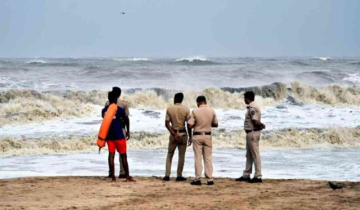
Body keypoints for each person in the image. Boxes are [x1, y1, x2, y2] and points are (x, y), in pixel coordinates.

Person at [102, 91, 134, 182]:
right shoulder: (119, 109)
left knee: (111, 156)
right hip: (119, 135)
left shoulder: (104, 110)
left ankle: (113, 178)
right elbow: (125, 118)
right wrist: (127, 130)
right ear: (116, 99)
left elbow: (104, 119)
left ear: (108, 99)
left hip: (109, 136)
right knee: (123, 156)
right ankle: (127, 177)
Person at [236, 91, 265, 183]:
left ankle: (258, 176)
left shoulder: (253, 107)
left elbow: (255, 121)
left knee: (255, 155)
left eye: (244, 98)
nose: (244, 100)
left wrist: (261, 124)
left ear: (247, 98)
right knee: (249, 155)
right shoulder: (251, 107)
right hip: (250, 132)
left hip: (252, 133)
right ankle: (246, 174)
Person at [188, 96, 218, 185]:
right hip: (208, 136)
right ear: (205, 102)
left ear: (198, 102)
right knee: (208, 158)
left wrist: (191, 134)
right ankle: (210, 178)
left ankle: (197, 178)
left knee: (198, 158)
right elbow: (215, 124)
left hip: (197, 136)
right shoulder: (212, 111)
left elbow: (189, 125)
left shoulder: (195, 111)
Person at [163, 93, 192, 182]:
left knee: (170, 154)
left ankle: (167, 175)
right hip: (183, 133)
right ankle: (179, 175)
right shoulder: (186, 109)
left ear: (175, 99)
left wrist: (174, 134)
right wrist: (190, 136)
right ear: (182, 99)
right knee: (181, 156)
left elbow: (167, 124)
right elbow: (189, 125)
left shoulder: (169, 109)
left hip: (173, 133)